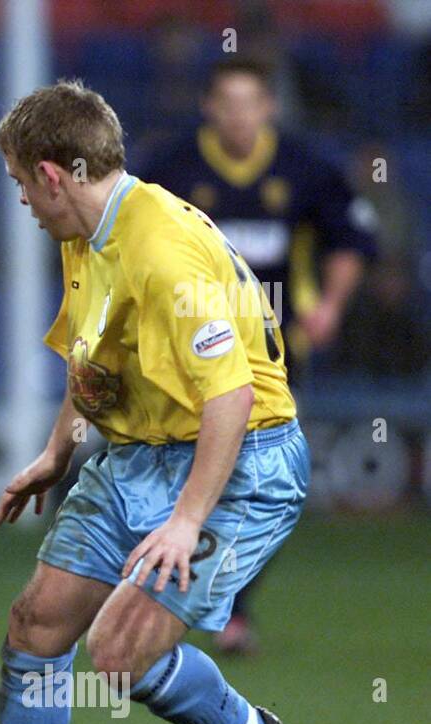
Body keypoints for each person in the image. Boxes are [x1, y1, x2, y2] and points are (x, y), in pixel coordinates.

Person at [0, 80, 308, 724]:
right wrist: (57, 450)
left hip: (240, 461)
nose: (23, 203)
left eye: (19, 183)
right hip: (139, 452)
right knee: (38, 622)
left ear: (52, 175)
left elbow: (232, 398)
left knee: (116, 655)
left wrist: (186, 521)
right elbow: (92, 363)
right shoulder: (87, 232)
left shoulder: (159, 250)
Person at [142, 56, 376, 653]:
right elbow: (131, 247)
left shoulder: (307, 168)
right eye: (228, 104)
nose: (240, 116)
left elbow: (348, 241)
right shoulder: (172, 168)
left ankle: (232, 608)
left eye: (251, 103)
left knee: (255, 482)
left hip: (272, 355)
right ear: (209, 108)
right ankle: (161, 594)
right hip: (185, 353)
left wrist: (330, 306)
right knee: (174, 473)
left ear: (269, 107)